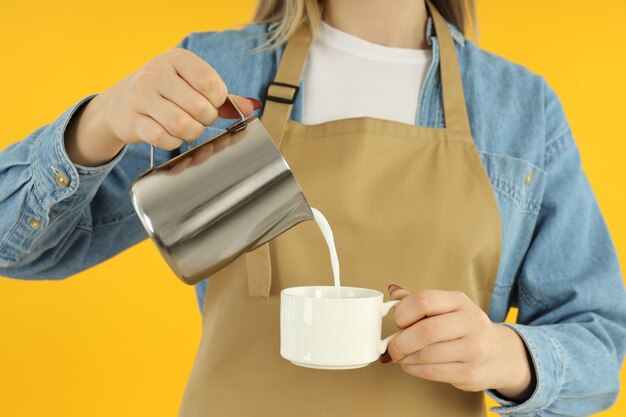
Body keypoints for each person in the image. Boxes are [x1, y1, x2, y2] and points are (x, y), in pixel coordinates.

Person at [0, 0, 624, 416]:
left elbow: (601, 337)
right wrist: (98, 124)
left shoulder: (520, 109)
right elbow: (17, 248)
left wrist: (505, 356)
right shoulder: (217, 71)